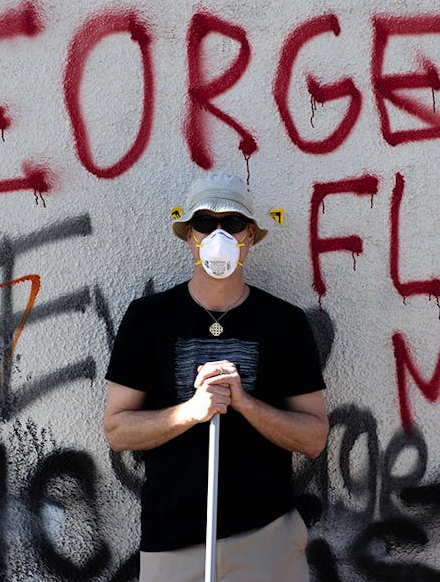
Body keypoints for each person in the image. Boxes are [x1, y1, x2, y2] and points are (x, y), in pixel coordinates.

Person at [103, 172, 328, 582]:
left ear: (250, 237)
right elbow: (118, 431)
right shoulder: (148, 319)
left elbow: (314, 437)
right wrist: (191, 411)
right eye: (205, 223)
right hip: (173, 542)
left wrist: (245, 404)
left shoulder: (285, 323)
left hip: (267, 539)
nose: (218, 234)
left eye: (233, 224)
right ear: (189, 234)